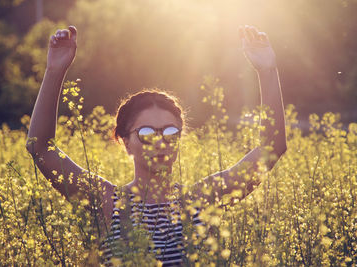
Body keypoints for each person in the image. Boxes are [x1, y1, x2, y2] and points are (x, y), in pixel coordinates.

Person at [26, 25, 287, 266]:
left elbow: (271, 148)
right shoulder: (106, 202)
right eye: (148, 133)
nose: (161, 142)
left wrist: (267, 70)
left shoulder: (199, 200)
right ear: (125, 142)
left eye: (171, 132)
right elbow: (41, 149)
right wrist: (54, 71)